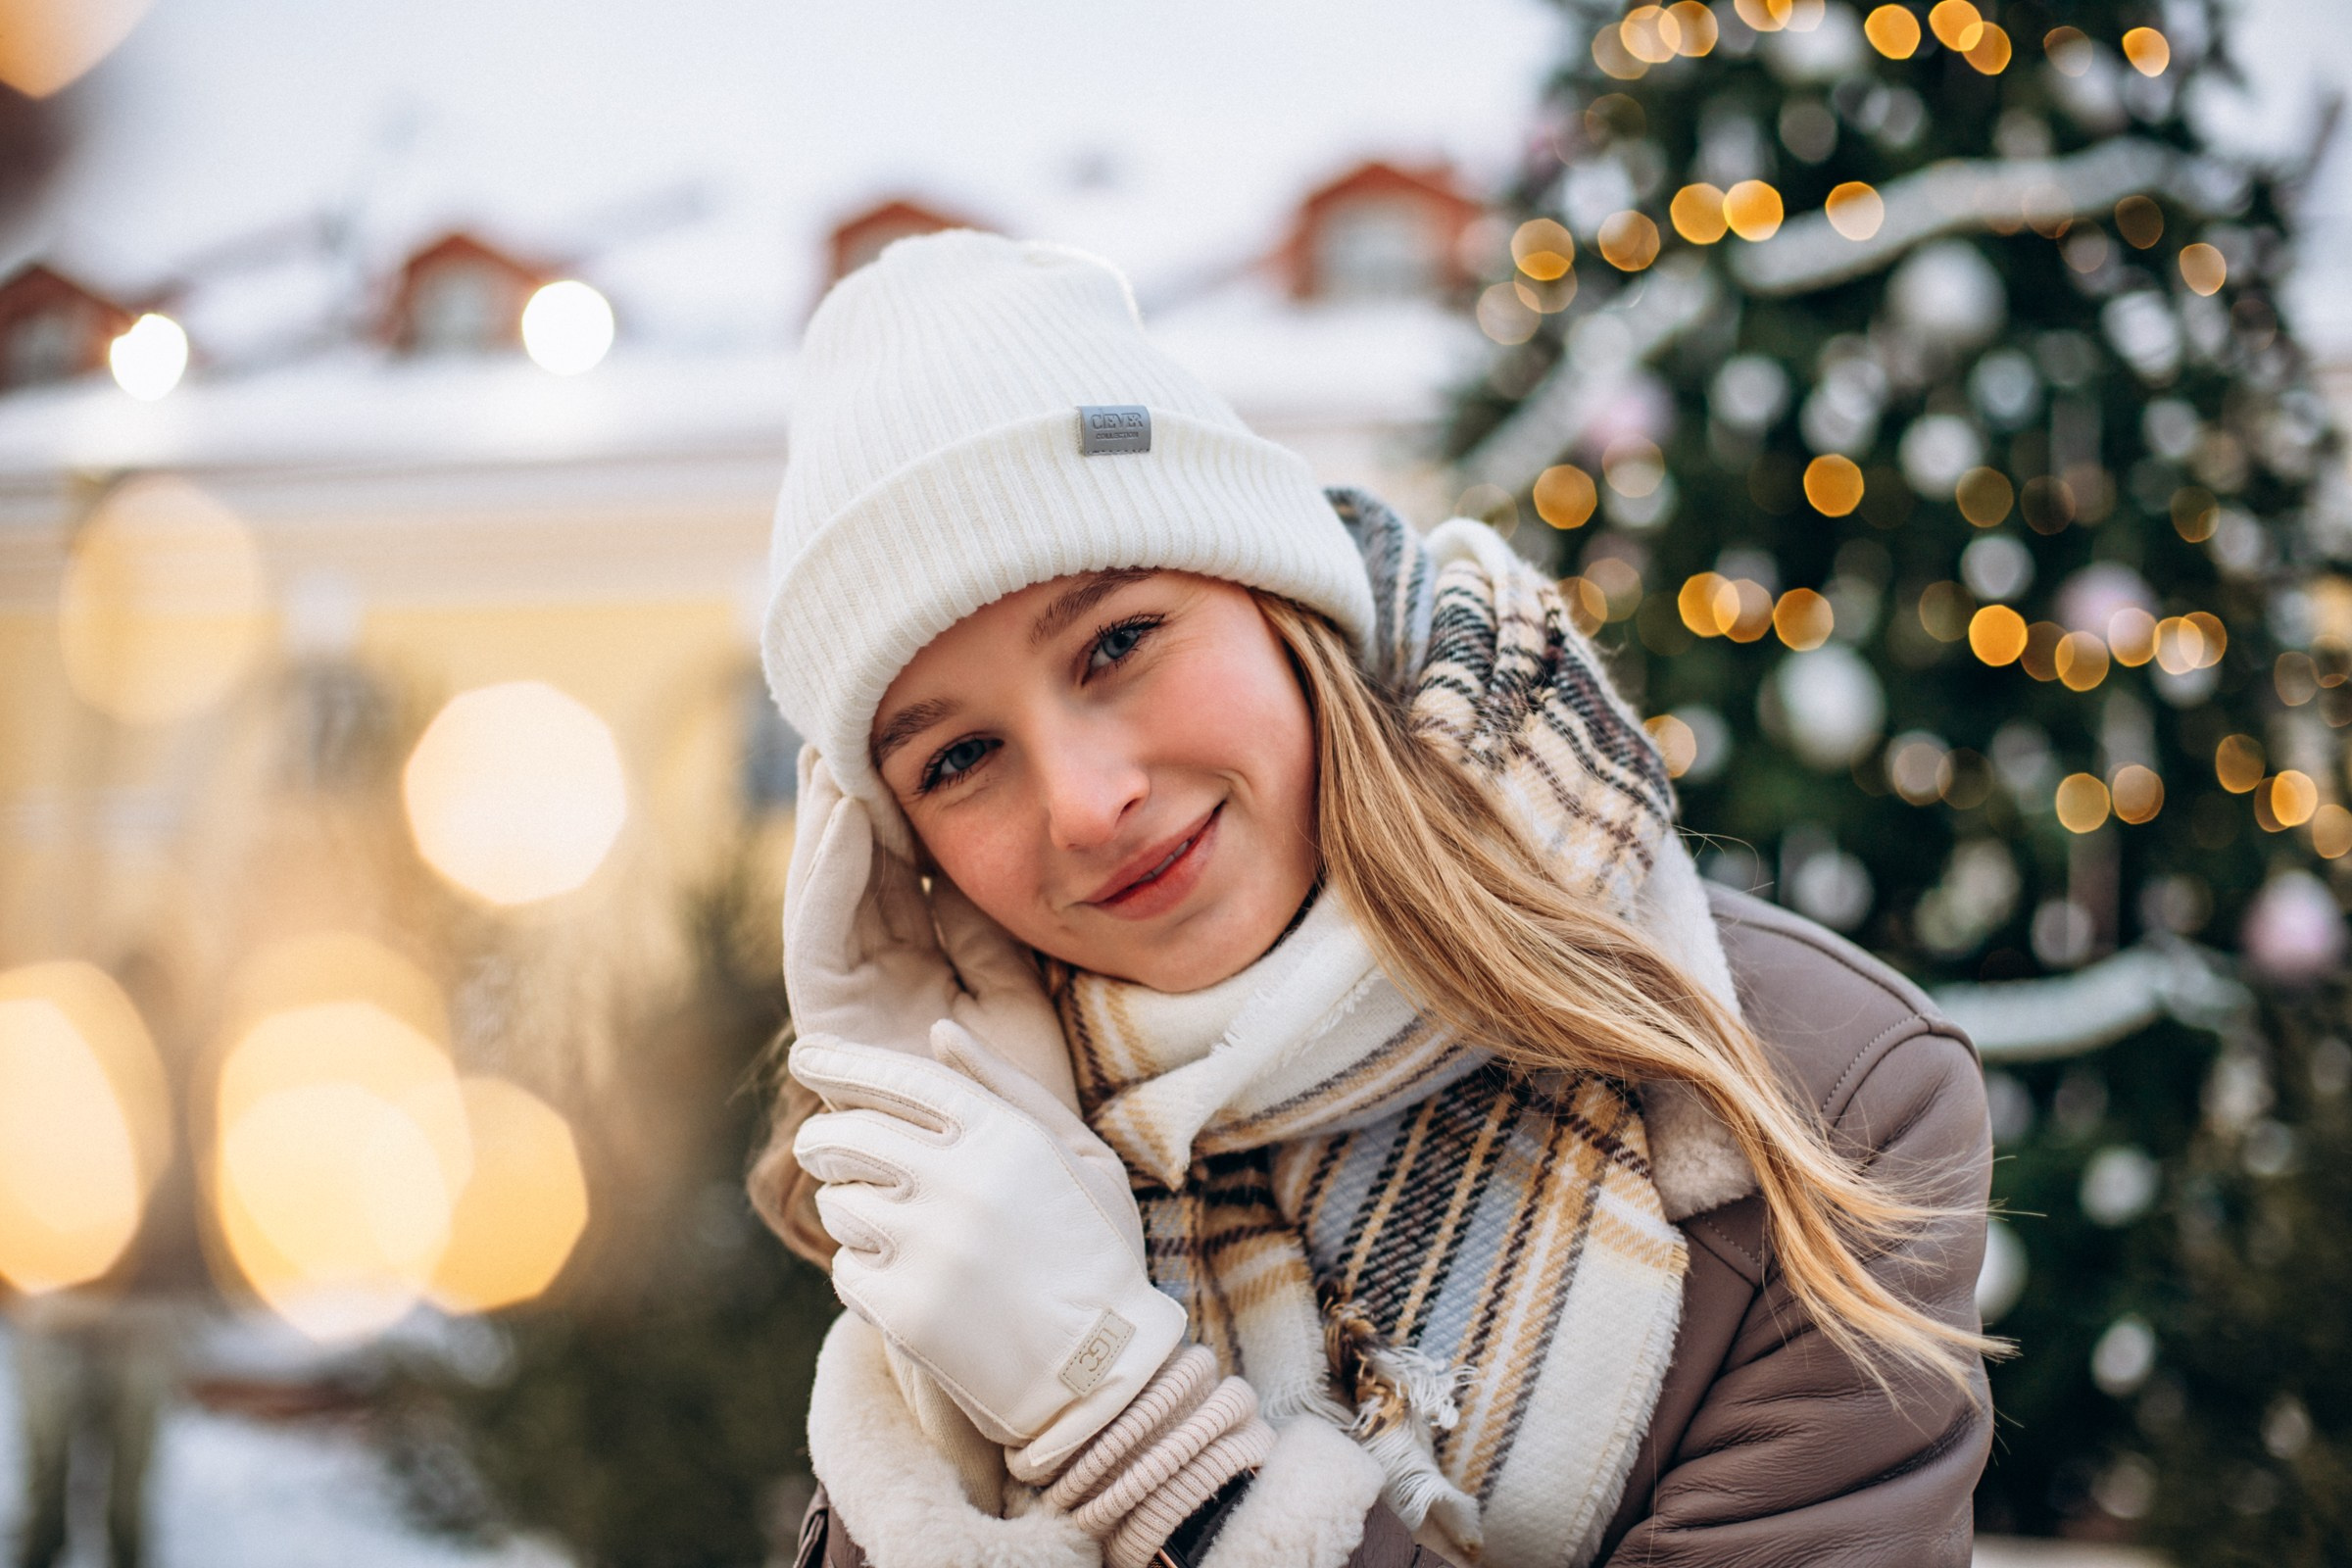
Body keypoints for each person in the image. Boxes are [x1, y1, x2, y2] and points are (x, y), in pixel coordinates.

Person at [749, 230, 1997, 1568]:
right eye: (959, 759)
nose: (1083, 800)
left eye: (1117, 642)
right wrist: (925, 1085)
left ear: (1280, 603)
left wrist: (1120, 1418)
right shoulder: (967, 1182)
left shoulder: (1825, 1095)